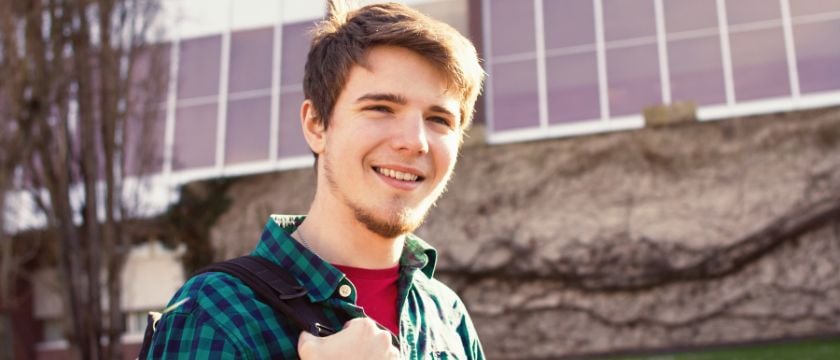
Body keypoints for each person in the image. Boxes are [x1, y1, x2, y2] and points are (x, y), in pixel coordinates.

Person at [146, 1, 485, 358]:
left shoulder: (447, 315)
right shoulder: (214, 313)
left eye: (439, 119)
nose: (415, 141)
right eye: (381, 108)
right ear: (316, 125)